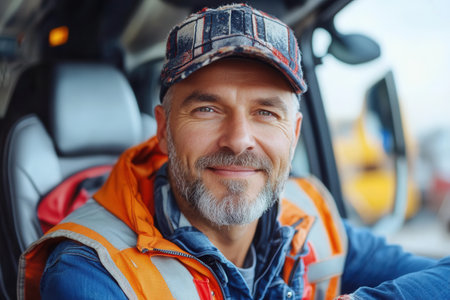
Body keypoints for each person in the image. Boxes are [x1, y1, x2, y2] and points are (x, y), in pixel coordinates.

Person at [19, 3, 449, 300]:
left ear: (294, 134)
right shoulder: (91, 272)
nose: (239, 139)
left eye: (265, 112)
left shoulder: (310, 213)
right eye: (207, 108)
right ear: (164, 130)